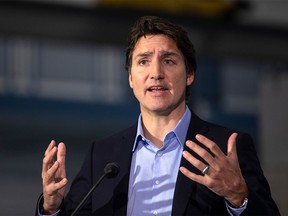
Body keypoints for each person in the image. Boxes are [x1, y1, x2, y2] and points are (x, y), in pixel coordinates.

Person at [37, 16, 280, 215]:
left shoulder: (227, 148)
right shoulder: (102, 155)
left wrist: (238, 196)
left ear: (189, 74)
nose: (156, 73)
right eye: (143, 62)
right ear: (131, 78)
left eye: (169, 61)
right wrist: (52, 207)